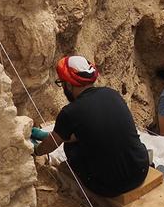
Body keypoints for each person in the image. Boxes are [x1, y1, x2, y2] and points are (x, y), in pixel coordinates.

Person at [32, 54, 150, 197]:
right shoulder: (112, 94)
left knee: (71, 148)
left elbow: (51, 145)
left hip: (111, 187)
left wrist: (35, 151)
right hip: (141, 170)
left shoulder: (70, 112)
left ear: (68, 85)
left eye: (62, 83)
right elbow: (96, 128)